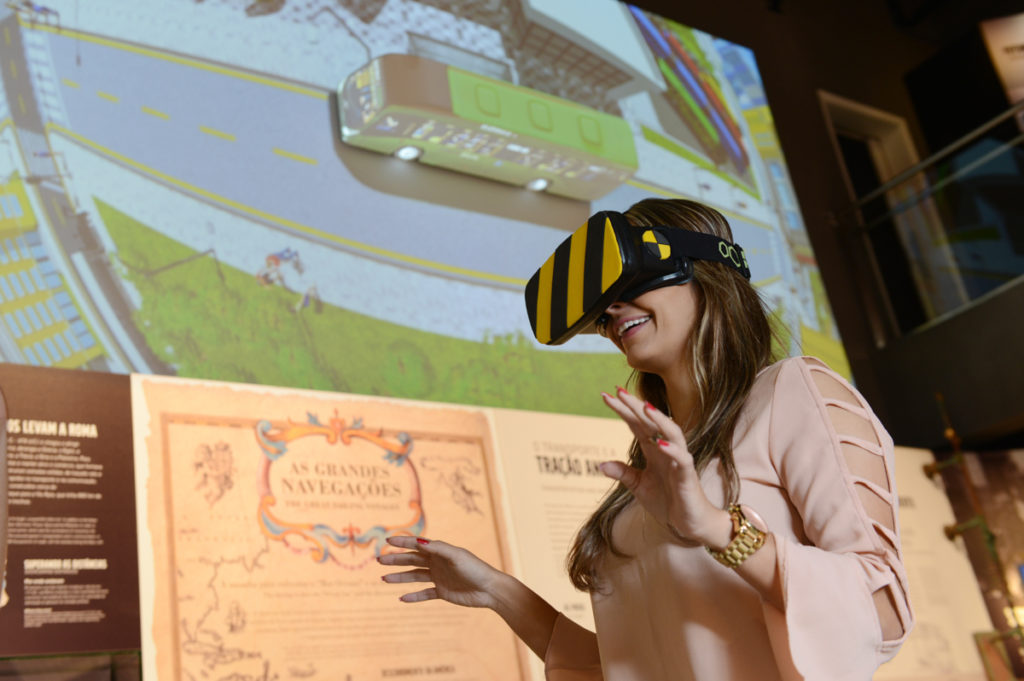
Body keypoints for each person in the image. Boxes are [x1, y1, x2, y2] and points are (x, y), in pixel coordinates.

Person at [379, 199, 913, 680]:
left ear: (706, 272)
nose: (610, 311)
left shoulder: (790, 392)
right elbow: (630, 664)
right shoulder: (655, 468)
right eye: (602, 302)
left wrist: (716, 529)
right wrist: (499, 591)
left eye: (632, 282)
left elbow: (881, 608)